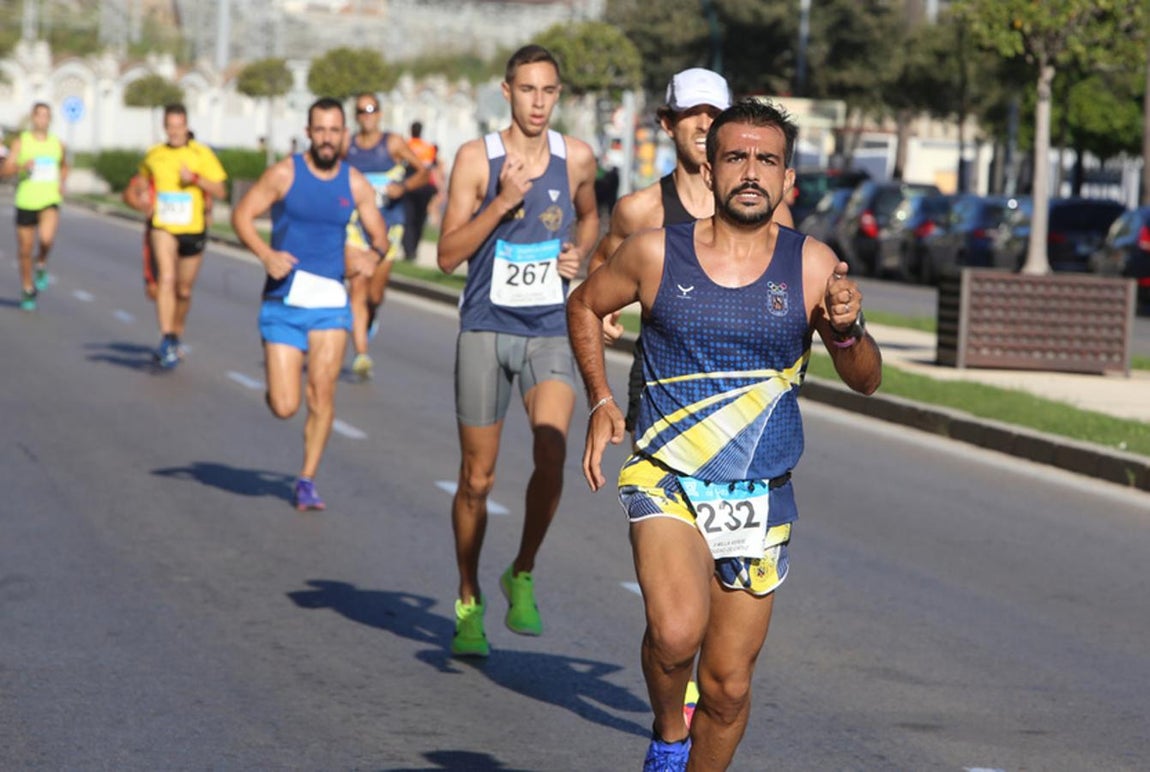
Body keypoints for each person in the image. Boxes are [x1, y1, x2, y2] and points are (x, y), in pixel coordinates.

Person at [567, 99, 882, 771]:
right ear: (708, 170)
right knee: (676, 634)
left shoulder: (812, 265)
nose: (750, 171)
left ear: (787, 179)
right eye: (735, 156)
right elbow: (584, 305)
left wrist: (849, 328)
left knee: (728, 688)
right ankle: (667, 735)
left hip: (759, 493)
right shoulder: (654, 253)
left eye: (767, 160)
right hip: (666, 475)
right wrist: (599, 398)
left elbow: (865, 379)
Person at [436, 44, 599, 658]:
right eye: (527, 90)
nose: (538, 102)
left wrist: (579, 254)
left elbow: (589, 217)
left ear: (559, 95)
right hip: (483, 328)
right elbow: (447, 255)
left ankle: (522, 570)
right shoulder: (476, 159)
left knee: (552, 452)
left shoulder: (576, 157)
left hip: (549, 329)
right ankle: (469, 594)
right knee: (477, 478)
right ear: (506, 91)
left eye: (548, 91)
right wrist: (502, 202)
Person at [589, 68, 794, 438]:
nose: (704, 124)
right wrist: (605, 313)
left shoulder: (771, 210)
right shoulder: (641, 210)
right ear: (667, 123)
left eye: (714, 114)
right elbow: (602, 266)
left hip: (743, 390)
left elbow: (790, 287)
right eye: (690, 113)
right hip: (660, 392)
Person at [231, 97, 388, 512]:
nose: (326, 138)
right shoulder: (285, 173)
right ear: (308, 131)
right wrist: (266, 255)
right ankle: (278, 379)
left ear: (344, 136)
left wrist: (372, 256)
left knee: (322, 394)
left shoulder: (355, 183)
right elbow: (242, 215)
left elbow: (380, 235)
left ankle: (306, 479)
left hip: (331, 303)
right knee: (285, 406)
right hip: (284, 301)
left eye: (334, 131)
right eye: (319, 130)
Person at [129, 104, 227, 368]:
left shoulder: (200, 153)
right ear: (165, 127)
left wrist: (195, 179)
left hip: (193, 228)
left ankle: (177, 331)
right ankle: (167, 336)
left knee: (183, 290)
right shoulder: (154, 154)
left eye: (178, 126)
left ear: (186, 126)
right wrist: (141, 196)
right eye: (170, 126)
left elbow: (220, 190)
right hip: (163, 226)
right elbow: (140, 181)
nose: (174, 132)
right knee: (167, 279)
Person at [342, 94, 430, 380]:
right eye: (361, 110)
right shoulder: (348, 145)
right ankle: (362, 354)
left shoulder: (392, 143)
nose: (366, 114)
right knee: (357, 286)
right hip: (355, 227)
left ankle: (372, 314)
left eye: (372, 109)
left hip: (389, 227)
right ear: (355, 115)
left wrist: (402, 188)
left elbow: (422, 173)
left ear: (380, 114)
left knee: (374, 294)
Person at [2, 102, 67, 311]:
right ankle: (27, 287)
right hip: (26, 200)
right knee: (25, 249)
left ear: (50, 119)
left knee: (47, 240)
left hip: (49, 199)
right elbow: (5, 170)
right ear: (33, 118)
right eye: (39, 116)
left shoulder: (58, 144)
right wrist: (22, 166)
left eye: (46, 116)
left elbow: (64, 166)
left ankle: (41, 263)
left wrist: (61, 182)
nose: (42, 120)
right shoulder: (21, 143)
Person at [402, 120, 440, 261]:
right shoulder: (428, 148)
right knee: (419, 219)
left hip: (409, 186)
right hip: (425, 188)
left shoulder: (406, 145)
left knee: (408, 219)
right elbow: (432, 168)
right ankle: (414, 248)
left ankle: (408, 250)